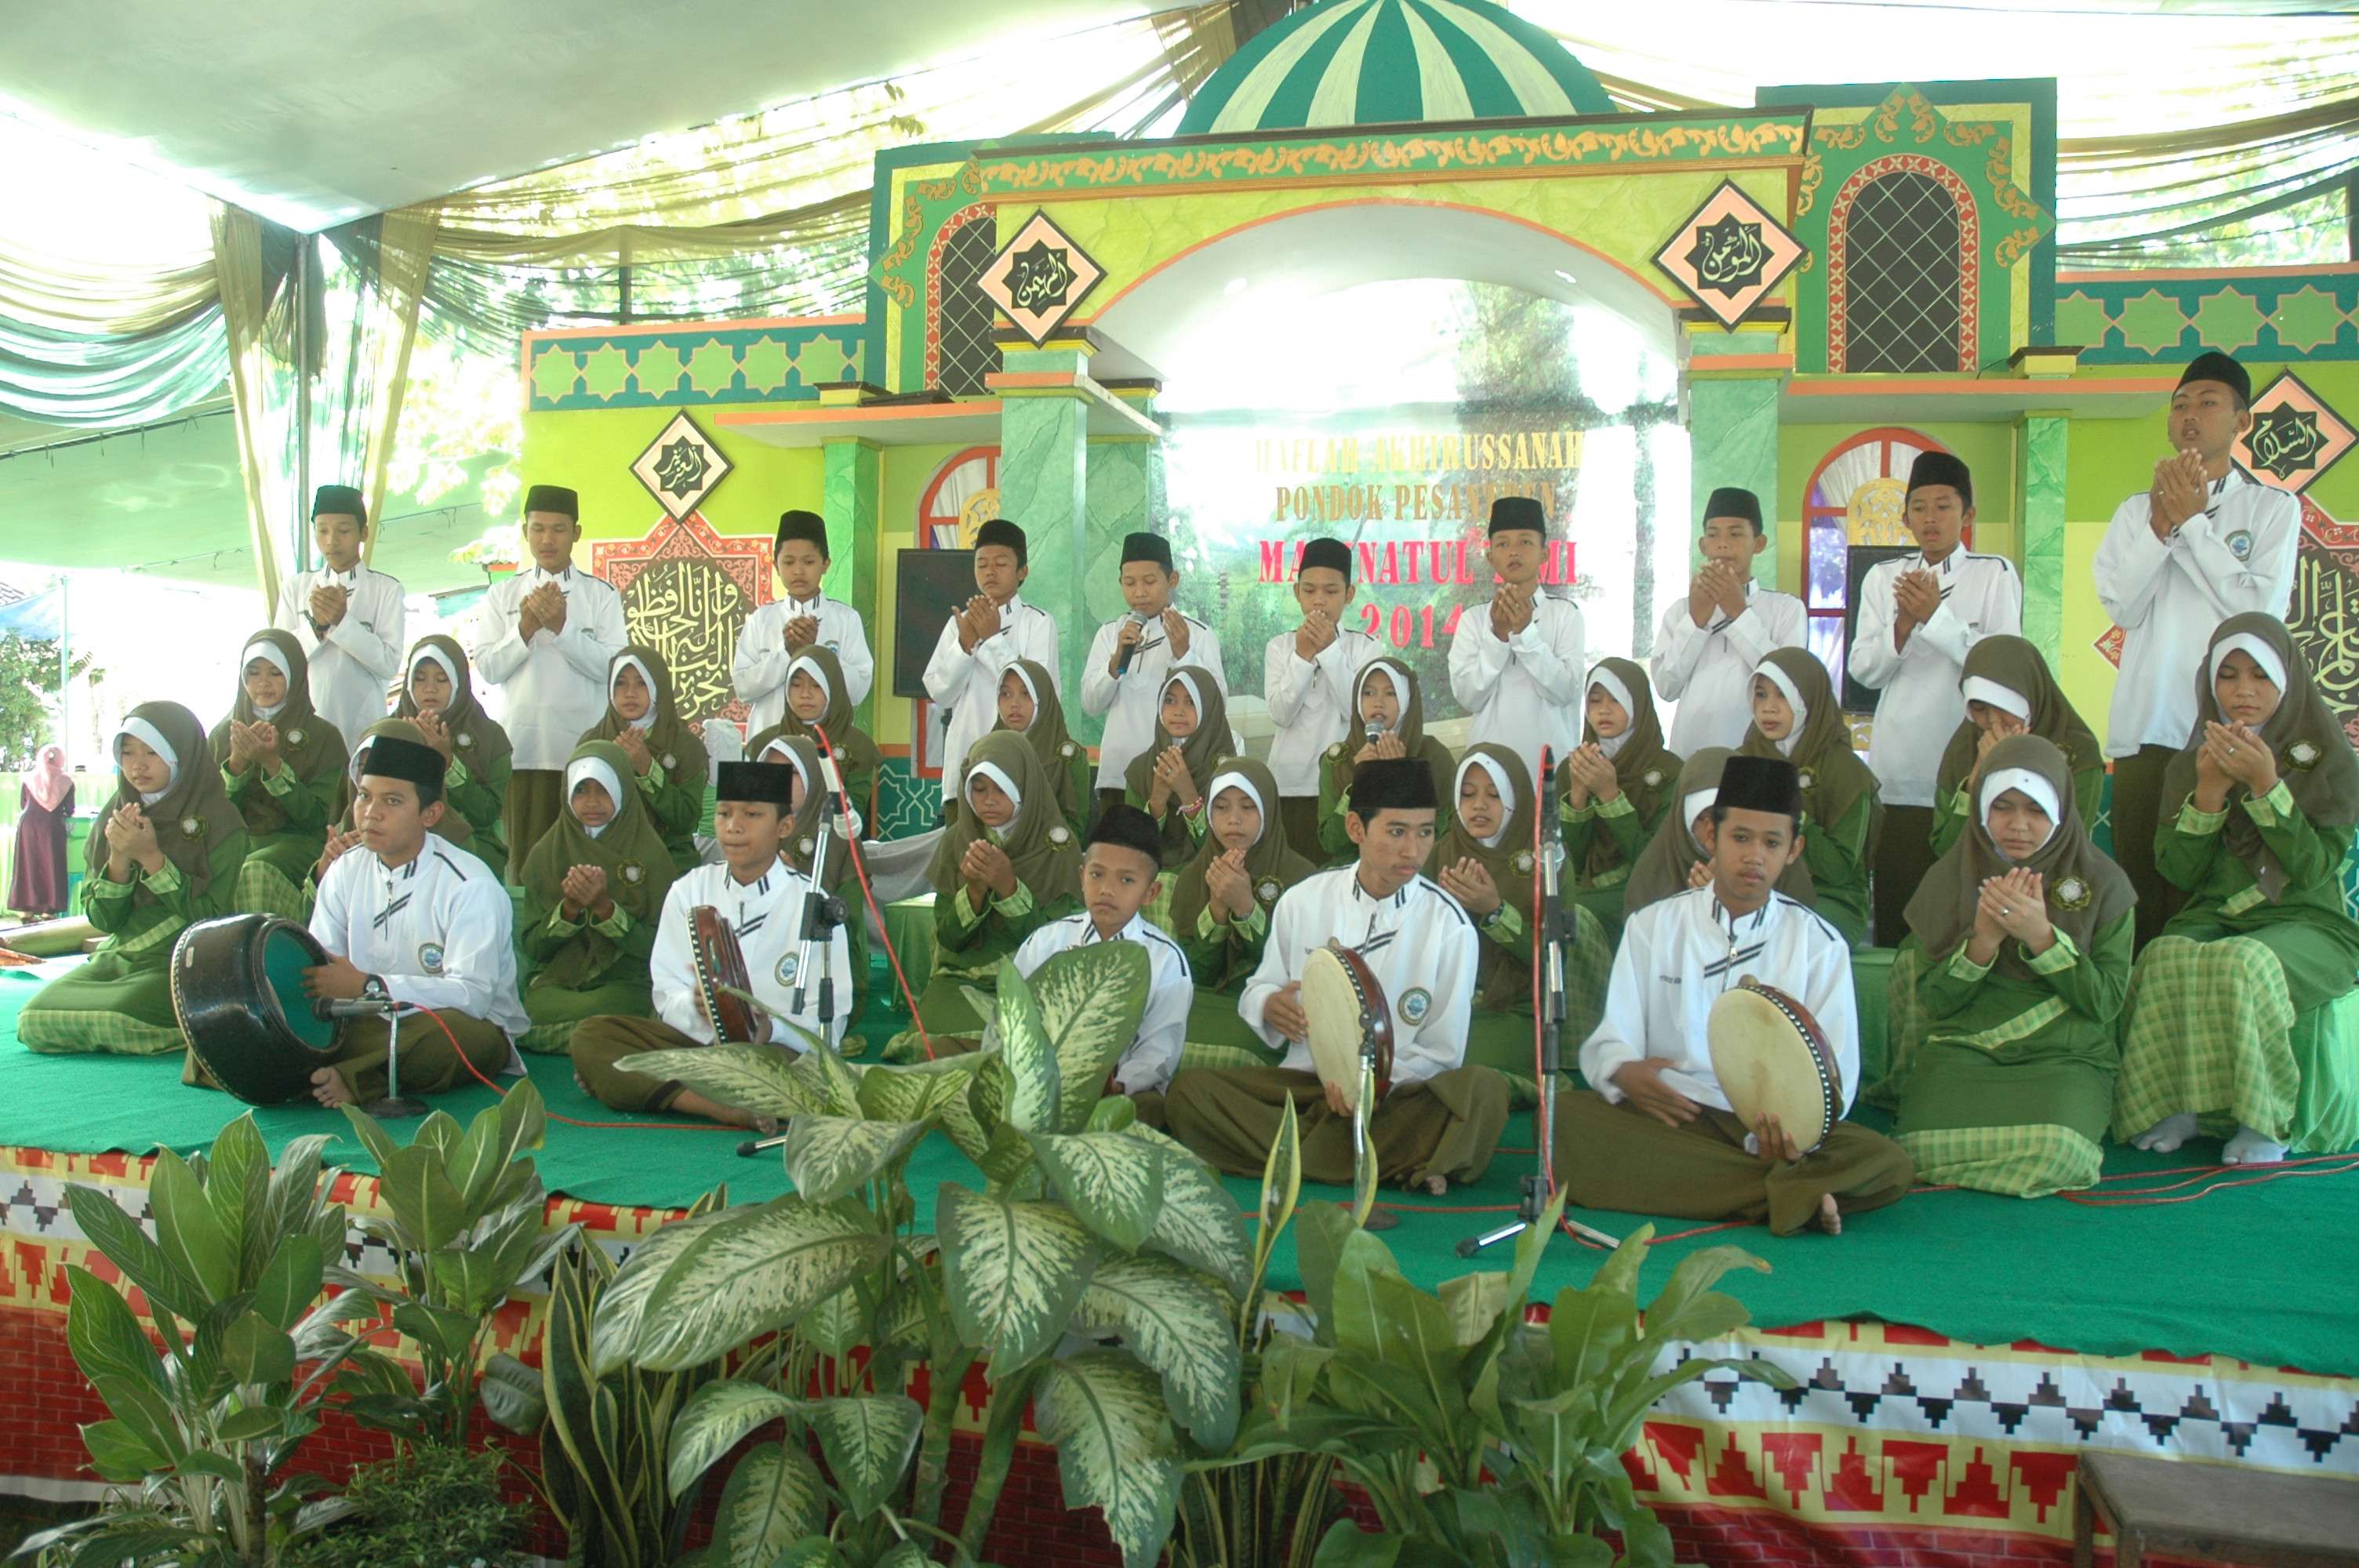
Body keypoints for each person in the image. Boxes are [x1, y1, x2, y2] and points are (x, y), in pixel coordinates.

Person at [1554, 755, 1914, 1236]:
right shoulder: (1654, 926)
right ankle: (1790, 1194)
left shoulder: (1817, 944)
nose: (1754, 857)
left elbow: (1837, 1076)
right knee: (1562, 1122)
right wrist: (1622, 1070)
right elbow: (1614, 1036)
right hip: (1673, 1113)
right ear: (1711, 836)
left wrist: (1796, 1131)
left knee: (1885, 1160)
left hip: (1772, 1127)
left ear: (1794, 849)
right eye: (1740, 838)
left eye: (1772, 842)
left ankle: (1763, 1186)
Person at [1161, 757, 1508, 1195]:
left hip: (1396, 1095)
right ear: (1356, 829)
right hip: (1307, 1084)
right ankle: (1391, 1159)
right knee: (1190, 1093)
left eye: (1424, 833)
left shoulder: (1449, 925)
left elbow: (1443, 1052)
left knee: (1483, 1092)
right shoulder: (1303, 900)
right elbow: (1259, 987)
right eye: (1397, 832)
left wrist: (1365, 1087)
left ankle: (1302, 1156)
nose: (1413, 850)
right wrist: (1269, 1005)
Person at [2114, 614, 2359, 1164]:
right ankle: (2179, 1105)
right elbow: (2179, 873)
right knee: (2164, 955)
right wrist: (2208, 793)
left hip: (2308, 924)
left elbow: (2315, 869)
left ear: (2287, 680)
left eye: (2260, 675)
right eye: (2228, 675)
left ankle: (2263, 1121)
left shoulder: (2329, 760)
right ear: (2209, 683)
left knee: (2246, 962)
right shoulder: (2192, 763)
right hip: (2217, 918)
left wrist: (2266, 785)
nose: (2243, 690)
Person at [2097, 352, 2300, 952]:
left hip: (2228, 729)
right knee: (2142, 886)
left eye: (2209, 403)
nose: (2190, 415)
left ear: (2242, 422)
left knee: (2210, 886)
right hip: (2146, 727)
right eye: (2180, 404)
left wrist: (2192, 526)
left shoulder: (2271, 509)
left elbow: (2258, 609)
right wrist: (2160, 529)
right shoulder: (2135, 513)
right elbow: (2123, 607)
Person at [1892, 735, 2135, 1197]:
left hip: (2063, 1054)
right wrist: (1983, 941)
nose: (2018, 825)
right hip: (1966, 1048)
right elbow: (1934, 1002)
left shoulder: (2104, 884)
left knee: (2058, 1151)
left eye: (2036, 810)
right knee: (1917, 1148)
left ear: (2060, 812)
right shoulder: (1949, 879)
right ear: (1981, 808)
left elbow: (2105, 1003)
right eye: (2002, 807)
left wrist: (2042, 938)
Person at [570, 761, 854, 1127]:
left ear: (784, 827)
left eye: (752, 815)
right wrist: (696, 1007)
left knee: (807, 1076)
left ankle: (658, 1089)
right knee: (592, 1038)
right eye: (723, 814)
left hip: (772, 1054)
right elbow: (666, 990)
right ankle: (724, 1108)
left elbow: (831, 1024)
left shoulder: (814, 905)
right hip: (696, 1045)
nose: (733, 826)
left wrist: (771, 1029)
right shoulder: (689, 889)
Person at [282, 733, 528, 1107]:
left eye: (392, 801)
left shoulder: (470, 884)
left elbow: (473, 997)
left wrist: (371, 986)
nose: (371, 812)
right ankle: (342, 1069)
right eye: (364, 796)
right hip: (364, 1020)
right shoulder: (344, 870)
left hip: (452, 1024)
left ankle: (355, 1078)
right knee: (277, 1018)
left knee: (452, 1039)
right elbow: (325, 963)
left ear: (430, 814)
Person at [1849, 452, 2022, 944]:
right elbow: (1864, 670)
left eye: (1944, 506)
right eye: (1919, 507)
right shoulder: (1883, 578)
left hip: (1967, 762)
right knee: (1898, 907)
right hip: (1899, 766)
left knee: (1962, 908)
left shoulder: (1994, 574)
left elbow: (2003, 667)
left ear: (1968, 515)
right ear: (1905, 518)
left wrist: (1934, 618)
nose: (1931, 518)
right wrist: (1902, 626)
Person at [19, 706, 248, 1056]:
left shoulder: (221, 821)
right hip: (119, 958)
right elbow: (103, 920)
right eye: (127, 753)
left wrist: (152, 858)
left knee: (120, 1014)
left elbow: (211, 918)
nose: (137, 765)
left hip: (184, 959)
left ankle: (204, 1019)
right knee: (33, 1019)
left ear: (181, 755)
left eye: (152, 753)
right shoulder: (116, 814)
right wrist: (120, 858)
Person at [888, 732, 1082, 1057]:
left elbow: (1057, 943)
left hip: (1035, 978)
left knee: (1034, 1049)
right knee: (933, 1047)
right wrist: (975, 891)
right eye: (979, 789)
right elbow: (949, 938)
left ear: (1025, 787)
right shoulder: (956, 841)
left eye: (1002, 789)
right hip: (965, 977)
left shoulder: (1057, 846)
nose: (989, 800)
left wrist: (1009, 888)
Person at [469, 485, 629, 880]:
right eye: (538, 529)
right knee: (527, 866)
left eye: (558, 529)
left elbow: (613, 670)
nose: (547, 539)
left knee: (584, 861)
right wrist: (524, 629)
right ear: (525, 532)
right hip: (522, 750)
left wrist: (562, 628)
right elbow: (488, 668)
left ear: (576, 533)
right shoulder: (502, 594)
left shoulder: (601, 596)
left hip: (582, 746)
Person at [1012, 804, 1192, 1112]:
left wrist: (1118, 1085)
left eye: (1126, 881)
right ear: (1082, 876)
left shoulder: (1166, 960)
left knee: (1149, 1109)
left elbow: (1160, 1051)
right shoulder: (1046, 942)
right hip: (1040, 1084)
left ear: (1151, 892)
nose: (1107, 890)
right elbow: (1014, 1020)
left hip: (1122, 1095)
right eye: (1097, 875)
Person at [1435, 744, 1601, 1076]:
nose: (1479, 805)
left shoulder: (1549, 861)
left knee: (1455, 1070)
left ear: (1516, 798)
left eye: (1494, 795)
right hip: (1446, 1003)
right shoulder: (1442, 853)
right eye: (1467, 794)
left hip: (1519, 1007)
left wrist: (1495, 912)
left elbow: (1554, 962)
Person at [515, 739, 677, 1057]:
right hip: (561, 980)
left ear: (623, 790)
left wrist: (606, 910)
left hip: (625, 982)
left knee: (622, 1007)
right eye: (581, 790)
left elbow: (660, 950)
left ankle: (596, 1037)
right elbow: (534, 948)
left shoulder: (653, 857)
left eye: (603, 790)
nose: (592, 802)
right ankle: (610, 1039)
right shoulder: (547, 854)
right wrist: (569, 909)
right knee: (533, 1011)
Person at [1167, 757, 1316, 1070]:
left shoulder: (1303, 879)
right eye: (1221, 808)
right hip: (1207, 1003)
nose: (1233, 820)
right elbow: (1194, 976)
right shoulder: (1193, 877)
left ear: (1268, 811)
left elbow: (1299, 972)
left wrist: (1247, 908)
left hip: (1273, 1009)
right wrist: (1217, 910)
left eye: (1248, 807)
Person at [1739, 649, 1881, 947]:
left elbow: (1838, 870)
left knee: (1789, 940)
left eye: (1783, 696)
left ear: (1809, 699)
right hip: (1757, 887)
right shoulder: (1747, 758)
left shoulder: (1846, 770)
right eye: (1761, 695)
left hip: (1830, 897)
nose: (1768, 708)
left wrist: (1792, 812)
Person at [1650, 488, 1807, 754]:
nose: (1723, 544)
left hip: (1760, 753)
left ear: (1759, 543)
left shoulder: (1786, 609)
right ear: (1703, 545)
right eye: (1713, 535)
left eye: (1735, 534)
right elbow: (1666, 688)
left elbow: (1788, 684)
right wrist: (1695, 622)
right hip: (1691, 752)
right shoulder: (1681, 611)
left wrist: (1740, 614)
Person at [1082, 532, 1227, 818]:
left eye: (1149, 582)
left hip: (1175, 776)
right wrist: (1116, 661)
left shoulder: (1198, 635)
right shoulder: (1109, 634)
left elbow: (1218, 706)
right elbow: (1091, 704)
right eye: (1129, 583)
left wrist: (1184, 654)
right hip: (1117, 776)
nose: (1139, 592)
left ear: (1172, 580)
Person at [1447, 496, 1585, 787]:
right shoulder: (1473, 620)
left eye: (1525, 542)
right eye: (1502, 544)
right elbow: (1468, 697)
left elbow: (1565, 691)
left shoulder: (1565, 614)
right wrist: (1498, 637)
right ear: (1490, 557)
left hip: (1551, 769)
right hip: (1488, 775)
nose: (1514, 551)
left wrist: (1524, 634)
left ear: (1545, 553)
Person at [209, 630, 347, 920]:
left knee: (255, 870)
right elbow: (214, 819)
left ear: (294, 675)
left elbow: (320, 817)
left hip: (300, 842)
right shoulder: (224, 734)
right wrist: (237, 765)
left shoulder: (323, 736)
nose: (263, 683)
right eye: (254, 673)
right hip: (240, 843)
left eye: (275, 673)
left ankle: (278, 946)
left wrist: (273, 766)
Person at [921, 518, 1059, 807]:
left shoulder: (1038, 622)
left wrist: (993, 638)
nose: (990, 572)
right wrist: (965, 646)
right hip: (965, 762)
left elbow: (1038, 696)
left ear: (1022, 571)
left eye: (1001, 563)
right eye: (982, 564)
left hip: (1017, 769)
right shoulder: (958, 625)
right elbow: (940, 694)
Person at [1928, 637, 2103, 858]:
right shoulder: (1964, 749)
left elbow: (2070, 845)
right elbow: (1946, 849)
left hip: (2050, 876)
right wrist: (1977, 779)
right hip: (1973, 875)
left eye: (2004, 707)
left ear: (2030, 697)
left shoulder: (2078, 751)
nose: (1993, 722)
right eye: (1979, 709)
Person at [1263, 536, 1378, 864]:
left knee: (1336, 875)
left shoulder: (1365, 647)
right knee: (1289, 877)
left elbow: (1358, 713)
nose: (1319, 601)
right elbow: (1281, 714)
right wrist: (1302, 657)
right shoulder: (1280, 646)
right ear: (1296, 592)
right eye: (1310, 590)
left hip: (1342, 787)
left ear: (1349, 594)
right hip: (1287, 785)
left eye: (1330, 591)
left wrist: (1329, 651)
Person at [271, 483, 403, 760]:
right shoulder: (297, 587)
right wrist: (316, 627)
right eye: (323, 531)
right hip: (306, 721)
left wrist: (341, 622)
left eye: (343, 531)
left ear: (363, 533)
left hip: (364, 723)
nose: (331, 541)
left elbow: (389, 664)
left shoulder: (386, 590)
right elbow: (278, 661)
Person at [1561, 659, 1682, 944]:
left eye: (1616, 699)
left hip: (1641, 888)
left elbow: (1655, 862)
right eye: (1595, 700)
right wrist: (1578, 795)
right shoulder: (1575, 767)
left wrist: (1610, 796)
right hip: (1583, 886)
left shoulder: (1671, 770)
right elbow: (1570, 859)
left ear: (1637, 703)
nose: (1604, 709)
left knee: (1572, 916)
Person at [756, 731, 871, 1032]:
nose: (778, 781)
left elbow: (849, 924)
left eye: (791, 773)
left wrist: (797, 887)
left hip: (822, 966)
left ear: (812, 776)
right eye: (769, 771)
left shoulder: (839, 838)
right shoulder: (749, 833)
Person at [1622, 746, 1816, 918]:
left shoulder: (1777, 864)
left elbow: (1796, 934)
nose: (1715, 832)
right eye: (1709, 820)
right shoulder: (1652, 876)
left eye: (1737, 828)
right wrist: (1698, 905)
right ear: (1685, 820)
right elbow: (1649, 943)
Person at [732, 508, 875, 736]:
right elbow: (743, 689)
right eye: (789, 562)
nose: (798, 571)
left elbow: (858, 691)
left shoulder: (846, 619)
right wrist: (786, 653)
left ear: (825, 564)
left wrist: (816, 652)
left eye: (808, 562)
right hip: (769, 741)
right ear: (776, 566)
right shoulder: (761, 619)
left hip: (827, 743)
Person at [580, 645, 710, 874]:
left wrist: (647, 767)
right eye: (621, 683)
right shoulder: (593, 742)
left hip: (670, 861)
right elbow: (579, 816)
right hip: (605, 862)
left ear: (658, 686)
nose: (630, 693)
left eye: (641, 683)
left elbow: (686, 820)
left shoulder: (686, 746)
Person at [393, 636, 513, 875]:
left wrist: (448, 764)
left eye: (442, 679)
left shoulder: (490, 736)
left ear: (459, 683)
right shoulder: (389, 732)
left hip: (472, 842)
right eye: (420, 679)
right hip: (399, 839)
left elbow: (486, 814)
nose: (430, 689)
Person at [1316, 657, 1455, 862]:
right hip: (1353, 871)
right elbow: (1333, 844)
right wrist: (1361, 783)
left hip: (1414, 868)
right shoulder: (1338, 762)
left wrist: (1402, 776)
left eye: (1391, 693)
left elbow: (1441, 836)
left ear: (1406, 700)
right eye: (1368, 693)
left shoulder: (1433, 756)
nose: (1378, 702)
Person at [750, 644, 880, 828]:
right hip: (772, 841)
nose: (805, 694)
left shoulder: (858, 747)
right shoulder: (765, 744)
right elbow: (747, 810)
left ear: (833, 687)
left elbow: (853, 819)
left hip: (834, 841)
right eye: (796, 685)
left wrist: (819, 765)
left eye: (817, 685)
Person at [1121, 666, 1235, 874]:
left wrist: (1189, 795)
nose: (1179, 711)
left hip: (1211, 877)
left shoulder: (1228, 774)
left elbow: (1229, 849)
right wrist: (1157, 800)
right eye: (1170, 700)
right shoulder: (1140, 770)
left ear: (1209, 708)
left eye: (1191, 702)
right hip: (1148, 878)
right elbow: (1132, 849)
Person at [992, 658, 1091, 837]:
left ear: (1042, 699)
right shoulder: (987, 752)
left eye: (1026, 694)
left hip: (1048, 851)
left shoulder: (1069, 757)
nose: (1014, 704)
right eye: (1006, 694)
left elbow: (1077, 830)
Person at [10, 743, 73, 918]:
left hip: (27, 826)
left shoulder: (29, 778)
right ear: (60, 759)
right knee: (51, 865)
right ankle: (48, 910)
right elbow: (70, 809)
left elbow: (23, 804)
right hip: (52, 826)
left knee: (27, 865)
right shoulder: (66, 780)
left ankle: (26, 910)